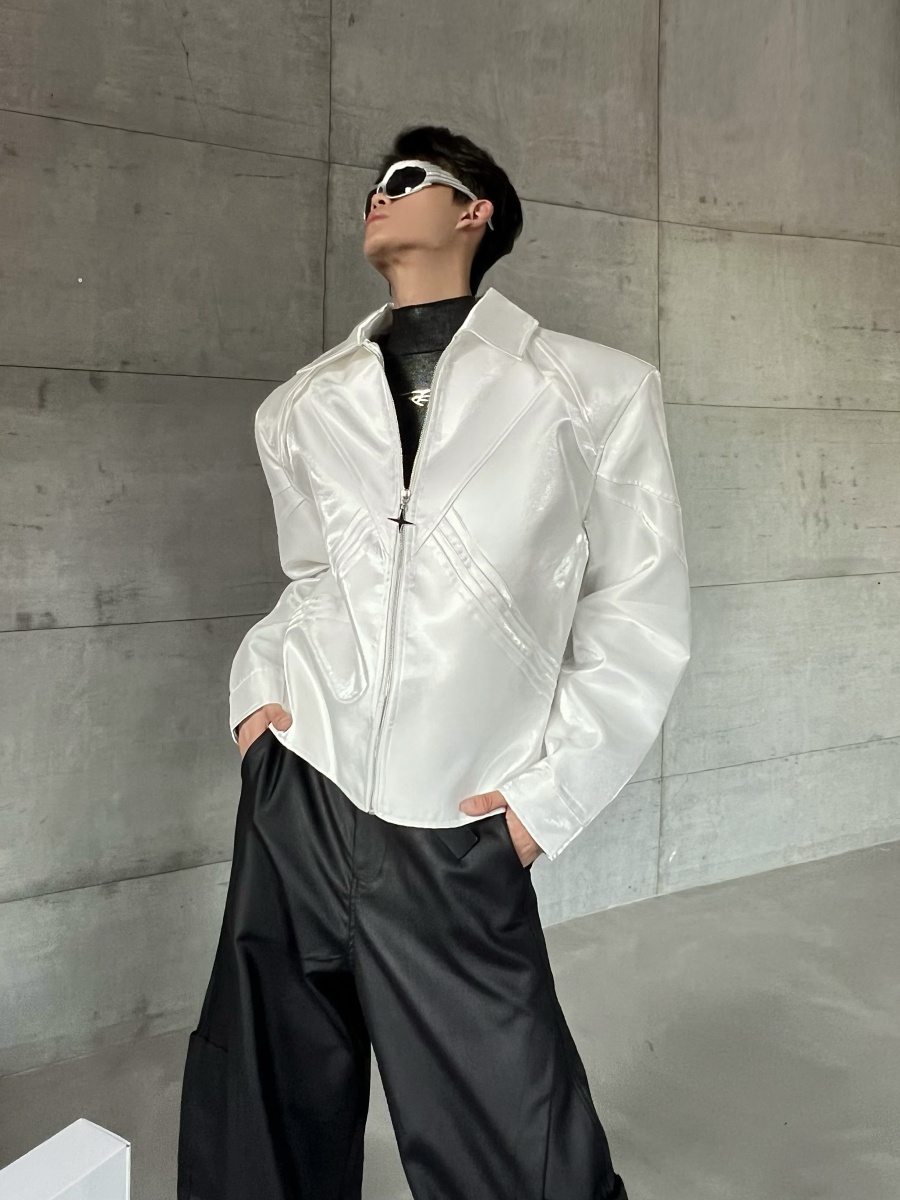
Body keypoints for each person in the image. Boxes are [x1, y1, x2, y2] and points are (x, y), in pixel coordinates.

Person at [177, 124, 691, 1200]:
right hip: (300, 785)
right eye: (375, 181)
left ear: (474, 211)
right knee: (260, 1116)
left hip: (456, 820)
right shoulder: (302, 404)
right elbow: (311, 578)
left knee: (519, 1146)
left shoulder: (594, 391)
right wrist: (258, 704)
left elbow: (635, 613)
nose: (380, 191)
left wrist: (546, 801)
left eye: (408, 179)